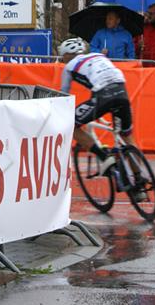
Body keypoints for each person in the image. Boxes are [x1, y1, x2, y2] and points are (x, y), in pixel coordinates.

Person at [58, 38, 143, 200]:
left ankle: (104, 157)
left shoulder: (69, 67)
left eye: (63, 57)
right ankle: (139, 181)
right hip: (121, 92)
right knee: (127, 137)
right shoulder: (98, 56)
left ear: (67, 55)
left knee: (70, 123)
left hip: (103, 96)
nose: (63, 61)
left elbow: (64, 96)